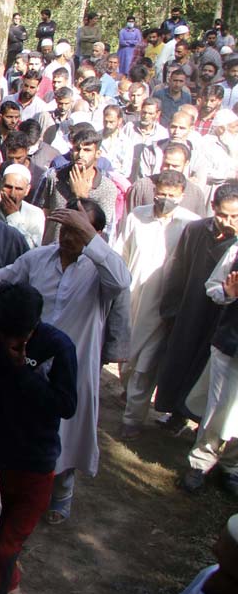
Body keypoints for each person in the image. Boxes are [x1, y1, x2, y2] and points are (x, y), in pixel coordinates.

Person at [0, 201, 130, 524]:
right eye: (66, 228)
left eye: (77, 230)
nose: (68, 236)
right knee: (29, 422)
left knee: (70, 430)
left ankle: (62, 493)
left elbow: (121, 281)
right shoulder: (39, 258)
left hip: (76, 360)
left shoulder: (100, 269)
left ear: (94, 234)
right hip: (30, 357)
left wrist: (90, 238)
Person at [0, 284, 78, 594]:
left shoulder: (58, 346)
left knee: (6, 548)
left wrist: (23, 371)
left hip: (35, 466)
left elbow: (66, 406)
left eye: (17, 335)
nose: (9, 342)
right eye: (4, 333)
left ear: (34, 327)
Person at [114, 170, 199, 439]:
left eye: (172, 196)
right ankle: (129, 397)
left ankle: (132, 419)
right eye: (161, 193)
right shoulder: (137, 216)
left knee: (146, 364)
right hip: (131, 297)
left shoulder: (191, 225)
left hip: (163, 305)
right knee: (126, 361)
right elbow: (120, 253)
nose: (165, 199)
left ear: (182, 196)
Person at [157, 184, 238, 429]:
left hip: (223, 317)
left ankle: (201, 422)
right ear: (213, 208)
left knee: (206, 371)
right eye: (223, 215)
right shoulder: (195, 230)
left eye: (235, 216)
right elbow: (178, 270)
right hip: (191, 309)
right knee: (180, 360)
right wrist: (171, 310)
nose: (228, 221)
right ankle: (175, 413)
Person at [183, 239, 238, 492]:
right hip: (230, 344)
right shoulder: (236, 251)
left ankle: (231, 466)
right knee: (218, 407)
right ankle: (201, 462)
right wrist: (228, 294)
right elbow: (214, 286)